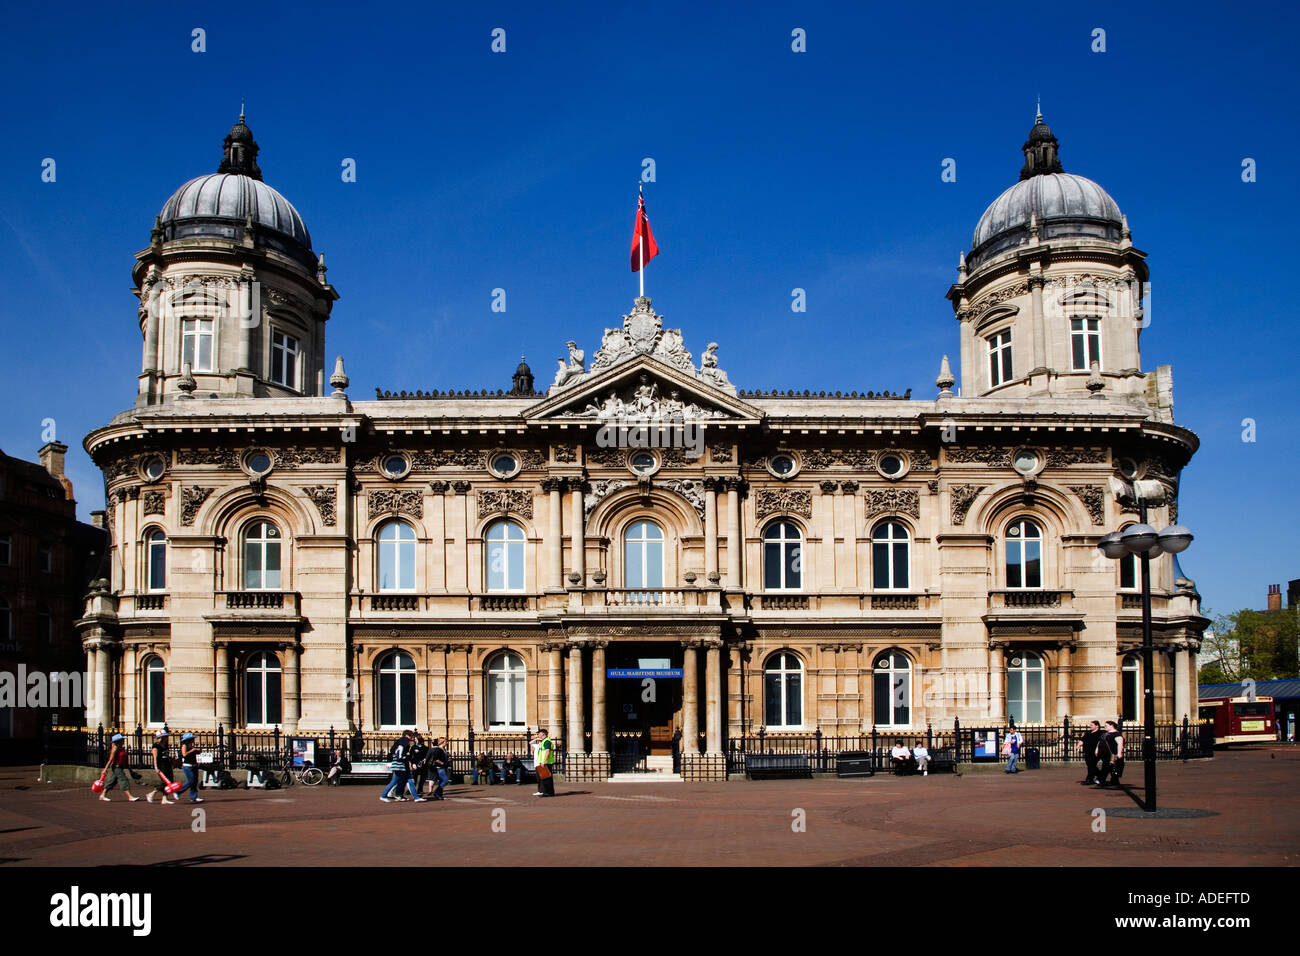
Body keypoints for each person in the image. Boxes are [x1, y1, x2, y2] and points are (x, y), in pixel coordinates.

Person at [381, 730, 425, 803]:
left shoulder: (402, 742)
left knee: (409, 780)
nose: (411, 738)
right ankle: (383, 795)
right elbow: (400, 755)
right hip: (400, 765)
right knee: (394, 781)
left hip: (401, 765)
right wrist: (406, 757)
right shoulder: (404, 741)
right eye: (411, 736)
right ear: (407, 735)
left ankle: (415, 797)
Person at [98, 733, 140, 802]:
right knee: (123, 780)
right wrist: (105, 769)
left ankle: (102, 795)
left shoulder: (122, 748)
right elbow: (110, 760)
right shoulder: (115, 749)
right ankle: (130, 796)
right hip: (116, 767)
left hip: (120, 767)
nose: (123, 741)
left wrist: (130, 770)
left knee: (112, 781)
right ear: (118, 741)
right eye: (122, 740)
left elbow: (125, 761)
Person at [148, 729, 177, 803]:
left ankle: (164, 799)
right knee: (166, 782)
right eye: (165, 737)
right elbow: (155, 757)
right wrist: (156, 766)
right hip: (161, 765)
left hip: (167, 764)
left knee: (170, 781)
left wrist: (172, 759)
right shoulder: (156, 746)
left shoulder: (166, 745)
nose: (167, 738)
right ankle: (152, 793)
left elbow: (167, 756)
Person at [174, 732, 204, 804]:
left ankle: (193, 797)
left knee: (195, 782)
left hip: (194, 764)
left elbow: (195, 753)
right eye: (192, 739)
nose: (193, 740)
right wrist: (192, 750)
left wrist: (198, 751)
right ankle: (178, 792)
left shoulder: (191, 746)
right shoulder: (184, 745)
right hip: (187, 766)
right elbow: (184, 754)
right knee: (191, 781)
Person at [1077, 720, 1104, 785]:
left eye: (1092, 725)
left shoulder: (1100, 733)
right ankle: (1100, 776)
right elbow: (1083, 740)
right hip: (1087, 751)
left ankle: (1089, 779)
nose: (1090, 726)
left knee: (1091, 765)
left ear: (1097, 726)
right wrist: (1078, 745)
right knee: (1090, 765)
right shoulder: (1088, 732)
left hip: (1095, 752)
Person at [1098, 720, 1125, 787]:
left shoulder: (1117, 734)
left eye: (1106, 725)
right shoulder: (1105, 734)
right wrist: (1097, 750)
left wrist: (1119, 753)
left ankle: (1103, 781)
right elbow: (1099, 742)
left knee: (1109, 767)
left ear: (1111, 726)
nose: (1105, 727)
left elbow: (1120, 744)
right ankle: (1113, 781)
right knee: (1107, 767)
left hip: (1112, 754)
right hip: (1104, 754)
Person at [533, 728, 556, 796]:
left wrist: (544, 761)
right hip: (544, 762)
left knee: (547, 778)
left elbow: (547, 752)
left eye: (539, 733)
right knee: (545, 778)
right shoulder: (543, 741)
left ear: (543, 734)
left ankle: (548, 792)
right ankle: (547, 792)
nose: (538, 735)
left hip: (546, 762)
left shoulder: (546, 741)